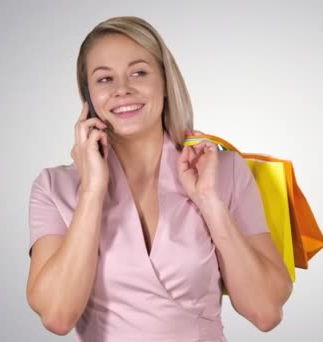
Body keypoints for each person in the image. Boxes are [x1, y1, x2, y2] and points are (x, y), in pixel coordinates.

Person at [26, 16, 292, 341]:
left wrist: (210, 202)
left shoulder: (224, 170)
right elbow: (57, 315)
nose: (122, 89)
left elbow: (265, 312)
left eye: (139, 72)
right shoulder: (54, 188)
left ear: (165, 83)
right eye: (104, 79)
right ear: (88, 98)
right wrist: (93, 192)